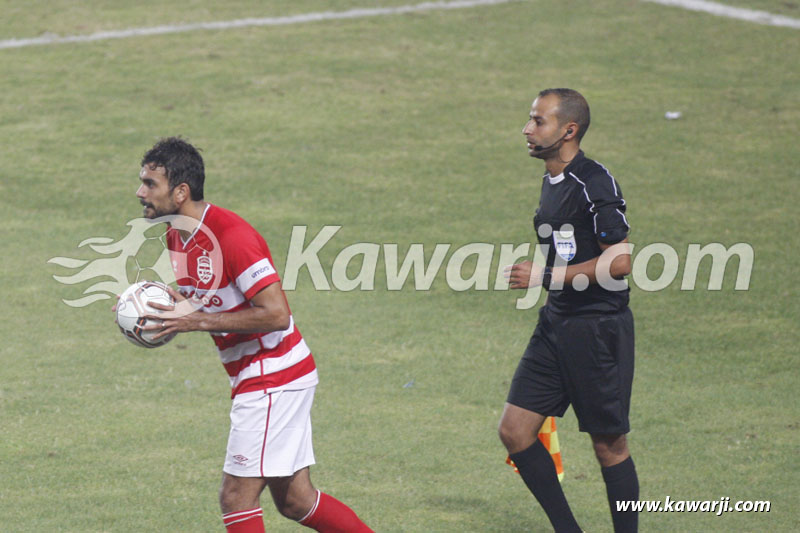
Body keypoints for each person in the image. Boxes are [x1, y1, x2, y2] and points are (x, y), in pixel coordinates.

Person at [129, 137, 373, 533]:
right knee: (296, 501)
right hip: (265, 376)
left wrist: (194, 322)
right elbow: (214, 300)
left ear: (181, 191)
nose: (140, 192)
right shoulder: (178, 235)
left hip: (272, 377)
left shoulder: (231, 236)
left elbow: (276, 314)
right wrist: (164, 308)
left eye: (149, 184)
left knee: (235, 497)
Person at [499, 89, 639, 532]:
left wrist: (546, 278)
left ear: (568, 130)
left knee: (608, 445)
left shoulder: (593, 181)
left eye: (538, 121)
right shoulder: (552, 179)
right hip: (557, 322)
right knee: (515, 430)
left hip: (597, 328)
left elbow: (620, 261)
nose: (527, 128)